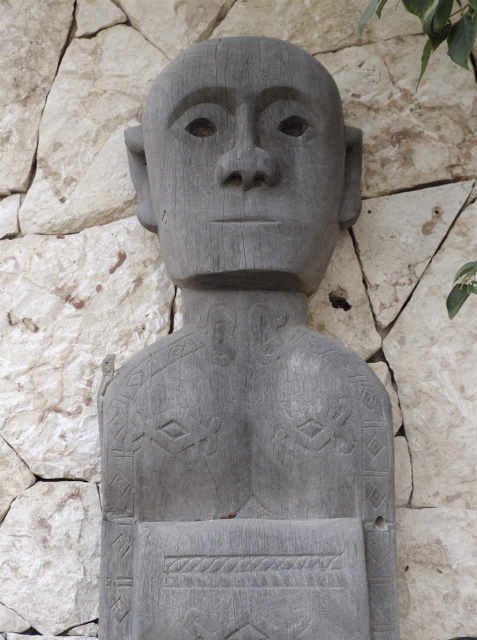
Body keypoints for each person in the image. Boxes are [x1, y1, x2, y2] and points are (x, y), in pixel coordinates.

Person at [100, 37, 398, 640]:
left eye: (291, 125)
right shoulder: (138, 400)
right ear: (146, 177)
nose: (248, 164)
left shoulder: (351, 398)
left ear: (347, 174)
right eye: (202, 125)